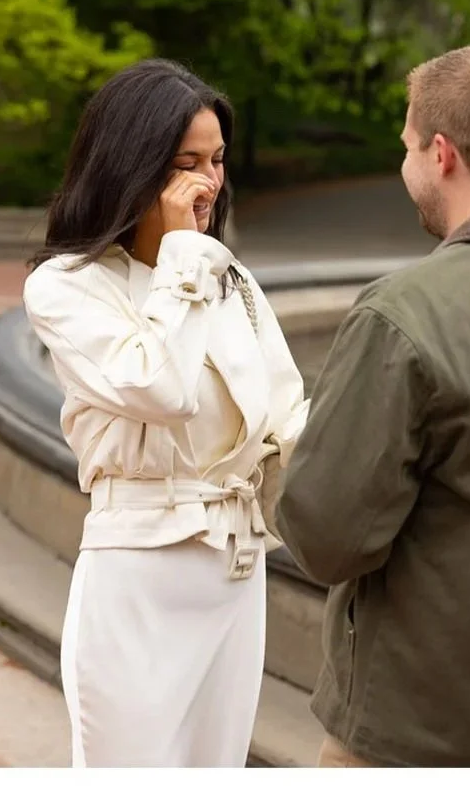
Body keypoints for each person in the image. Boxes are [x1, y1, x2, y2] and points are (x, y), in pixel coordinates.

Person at [275, 44, 470, 769]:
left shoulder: (404, 312)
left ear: (441, 153)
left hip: (422, 727)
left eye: (406, 146)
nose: (404, 164)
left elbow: (326, 535)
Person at [22, 58, 308, 768]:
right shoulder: (65, 286)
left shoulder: (231, 281)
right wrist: (185, 255)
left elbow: (287, 416)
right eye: (185, 163)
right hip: (138, 579)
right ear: (132, 163)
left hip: (237, 573)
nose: (208, 182)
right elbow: (161, 387)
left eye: (215, 160)